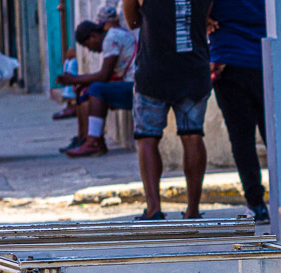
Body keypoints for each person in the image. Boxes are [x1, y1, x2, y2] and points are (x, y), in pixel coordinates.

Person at [122, 0, 210, 220]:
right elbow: (206, 15)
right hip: (193, 68)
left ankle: (153, 208)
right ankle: (192, 210)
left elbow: (131, 21)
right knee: (193, 135)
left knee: (147, 138)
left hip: (154, 70)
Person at [207, 0, 269, 223]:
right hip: (268, 57)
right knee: (274, 135)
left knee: (241, 138)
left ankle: (257, 204)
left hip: (229, 59)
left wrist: (202, 19)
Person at [58, 6, 136, 158]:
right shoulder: (113, 36)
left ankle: (94, 141)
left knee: (97, 89)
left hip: (136, 87)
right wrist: (80, 83)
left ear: (93, 36)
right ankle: (84, 138)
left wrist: (73, 79)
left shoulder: (111, 39)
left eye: (88, 45)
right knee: (87, 89)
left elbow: (104, 76)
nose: (91, 50)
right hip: (131, 83)